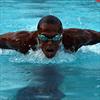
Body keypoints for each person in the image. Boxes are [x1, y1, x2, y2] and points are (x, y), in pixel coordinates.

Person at [0, 15, 100, 58]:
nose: (50, 43)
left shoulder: (75, 38)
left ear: (61, 36)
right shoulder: (22, 41)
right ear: (38, 36)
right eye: (44, 38)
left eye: (55, 38)